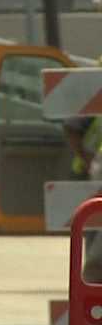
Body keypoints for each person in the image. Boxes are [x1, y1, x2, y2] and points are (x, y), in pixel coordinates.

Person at [64, 100, 102, 282]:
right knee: (96, 249)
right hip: (91, 178)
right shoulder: (94, 85)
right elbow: (72, 127)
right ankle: (92, 293)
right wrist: (88, 162)